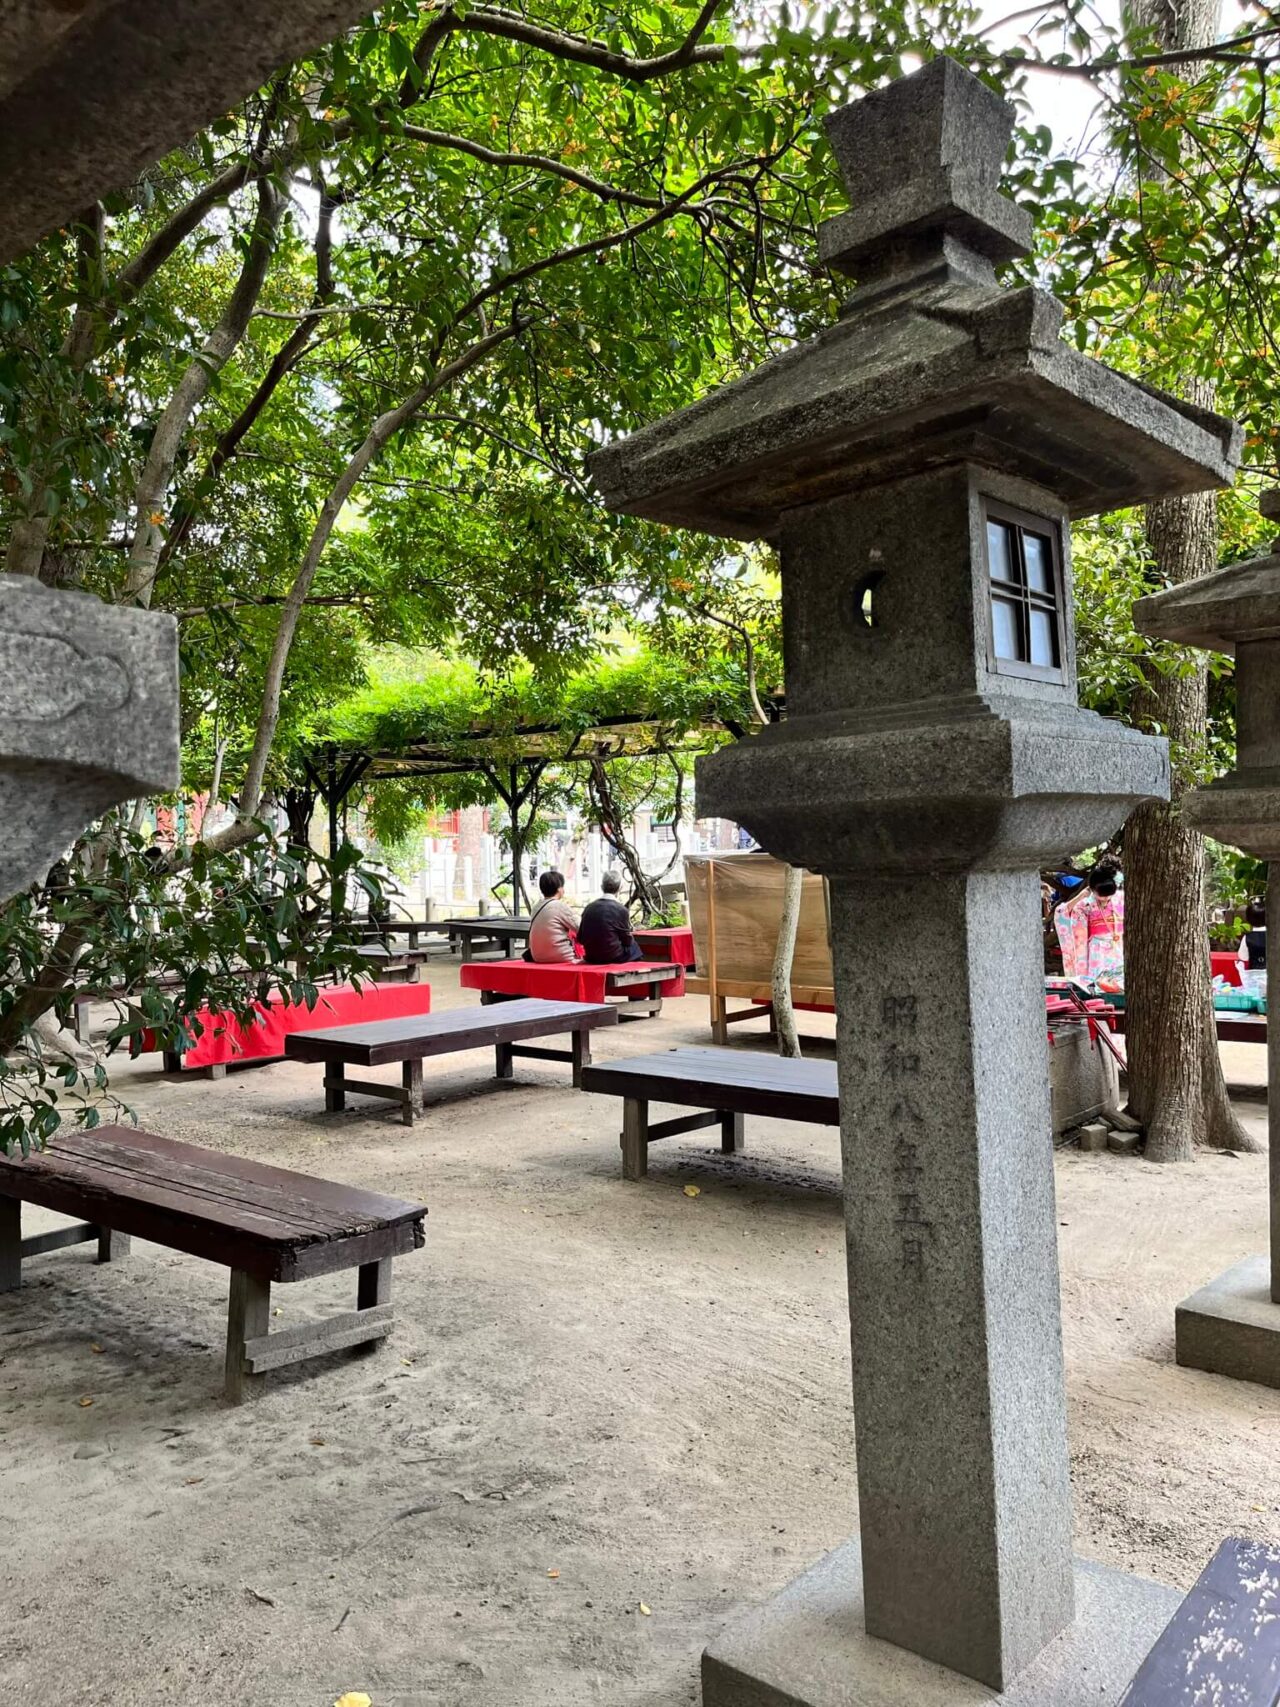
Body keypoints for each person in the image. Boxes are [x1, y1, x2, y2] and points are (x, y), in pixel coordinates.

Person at [1054, 855, 1125, 989]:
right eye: (1101, 895)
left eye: (1109, 894)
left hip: (1119, 947)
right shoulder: (1085, 904)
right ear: (1092, 889)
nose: (1106, 898)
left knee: (1120, 983)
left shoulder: (1121, 898)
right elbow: (1061, 914)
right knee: (1098, 984)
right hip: (1097, 951)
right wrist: (1080, 896)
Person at [578, 871, 644, 965]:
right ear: (620, 888)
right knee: (634, 947)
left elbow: (580, 938)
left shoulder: (589, 908)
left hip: (591, 956)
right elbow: (627, 941)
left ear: (601, 887)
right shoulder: (621, 909)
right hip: (613, 956)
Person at [526, 869, 579, 964]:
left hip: (537, 957)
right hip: (561, 956)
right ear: (559, 889)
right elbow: (580, 927)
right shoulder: (559, 906)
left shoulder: (536, 907)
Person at [1236, 897, 1267, 987]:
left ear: (1248, 919)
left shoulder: (1247, 937)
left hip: (1255, 979)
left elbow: (1243, 957)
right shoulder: (1274, 937)